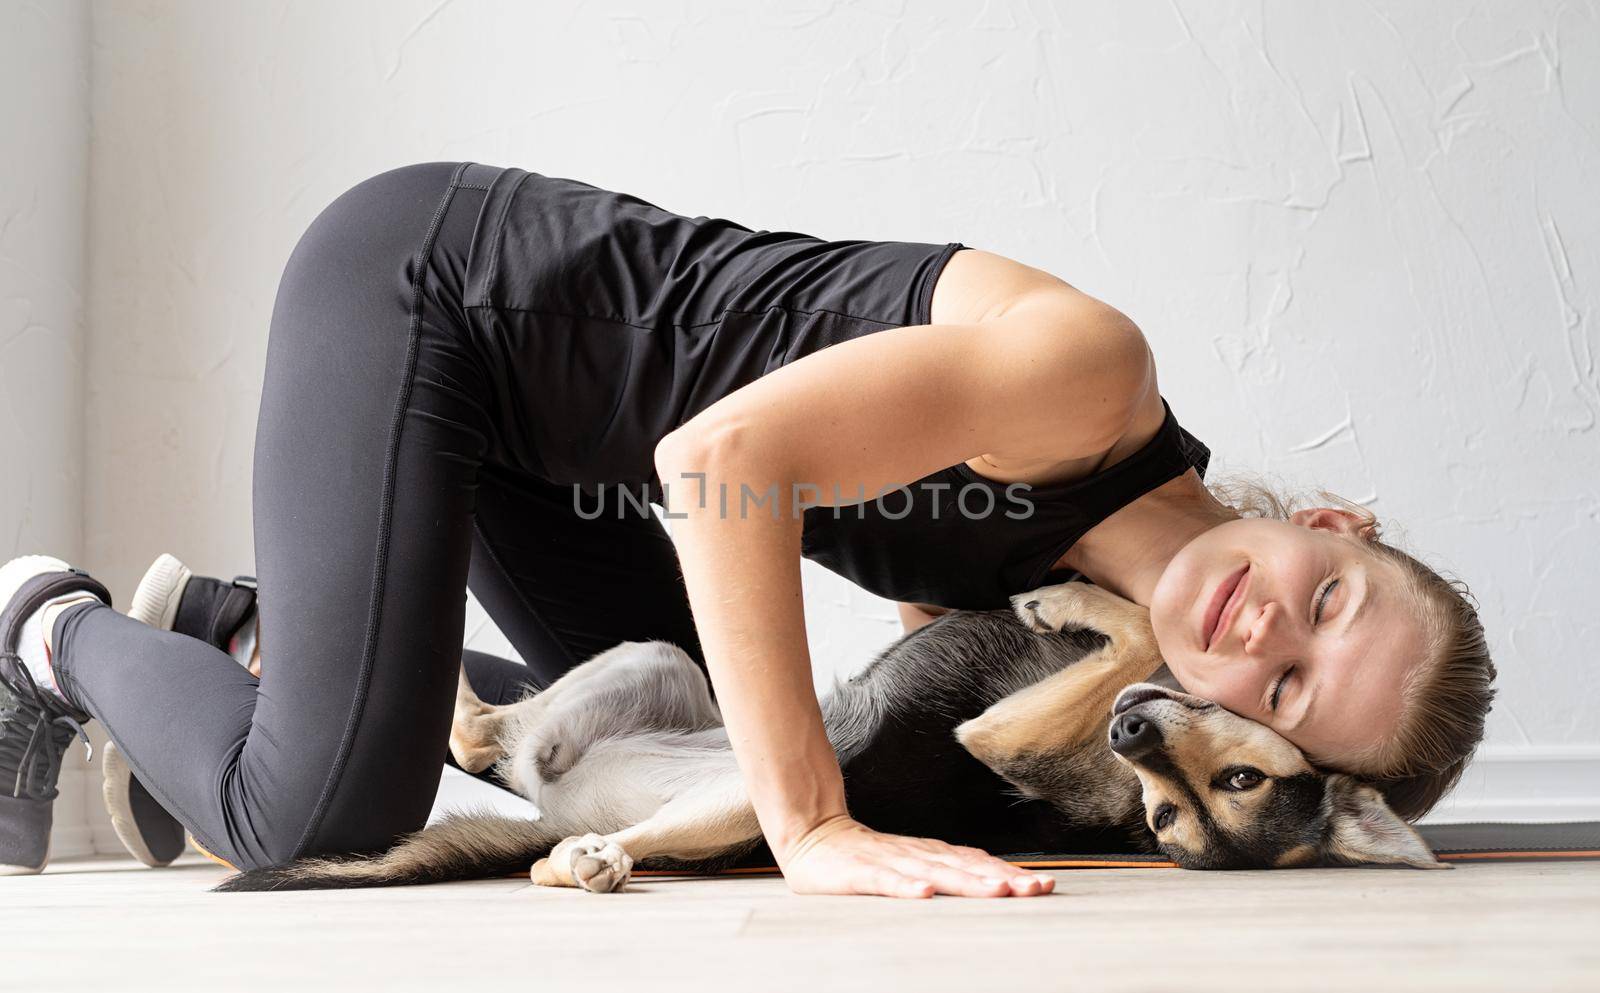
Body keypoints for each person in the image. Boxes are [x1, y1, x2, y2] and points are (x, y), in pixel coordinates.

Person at [0, 161, 1494, 896]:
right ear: (1335, 521)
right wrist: (816, 824)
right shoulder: (1091, 379)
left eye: (1288, 693)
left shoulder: (1070, 608)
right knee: (313, 815)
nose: (1268, 633)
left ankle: (250, 631)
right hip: (430, 293)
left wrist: (826, 802)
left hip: (551, 445)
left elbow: (887, 657)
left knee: (660, 753)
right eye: (1335, 597)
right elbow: (724, 461)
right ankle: (49, 628)